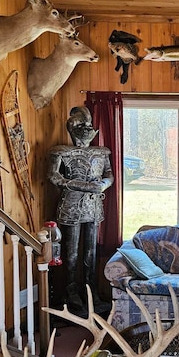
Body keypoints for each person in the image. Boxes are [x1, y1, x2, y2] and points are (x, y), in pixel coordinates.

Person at [47, 106, 113, 313]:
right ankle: (71, 291)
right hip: (71, 205)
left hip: (93, 205)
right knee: (72, 252)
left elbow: (109, 175)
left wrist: (102, 185)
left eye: (88, 126)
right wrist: (82, 186)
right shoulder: (61, 152)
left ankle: (90, 290)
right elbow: (54, 177)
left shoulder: (101, 153)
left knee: (91, 252)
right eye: (81, 125)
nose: (85, 130)